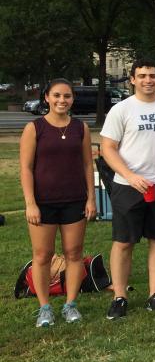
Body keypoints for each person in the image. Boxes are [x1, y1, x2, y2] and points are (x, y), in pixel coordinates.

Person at [100, 59, 155, 319]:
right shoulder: (121, 109)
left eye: (153, 76)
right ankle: (119, 296)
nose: (148, 80)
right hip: (129, 186)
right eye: (142, 76)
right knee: (124, 242)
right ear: (132, 80)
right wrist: (129, 175)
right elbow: (107, 149)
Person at [19, 80, 97, 327]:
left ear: (72, 99)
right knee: (43, 255)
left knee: (74, 254)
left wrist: (91, 198)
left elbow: (87, 164)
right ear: (47, 98)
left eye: (67, 96)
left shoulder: (80, 128)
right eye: (56, 96)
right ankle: (44, 308)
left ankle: (70, 305)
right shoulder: (35, 128)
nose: (62, 100)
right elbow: (26, 168)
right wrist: (30, 203)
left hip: (75, 200)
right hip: (43, 202)